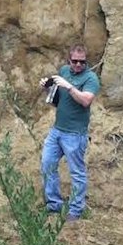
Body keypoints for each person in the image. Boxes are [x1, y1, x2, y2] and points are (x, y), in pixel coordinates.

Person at [39, 41, 100, 222]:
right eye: (75, 61)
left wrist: (69, 86)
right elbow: (57, 100)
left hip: (75, 134)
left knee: (77, 172)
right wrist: (47, 88)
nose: (78, 65)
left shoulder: (90, 79)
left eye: (82, 61)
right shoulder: (64, 71)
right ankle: (54, 206)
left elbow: (85, 101)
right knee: (47, 164)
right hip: (57, 130)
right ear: (69, 60)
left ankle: (75, 210)